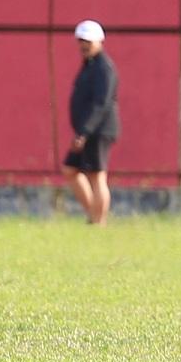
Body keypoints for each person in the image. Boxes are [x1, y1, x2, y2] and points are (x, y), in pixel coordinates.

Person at [64, 19, 120, 226]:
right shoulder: (90, 66)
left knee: (97, 176)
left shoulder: (104, 68)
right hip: (86, 130)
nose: (83, 45)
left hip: (98, 130)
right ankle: (93, 214)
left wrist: (84, 132)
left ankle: (99, 222)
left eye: (88, 41)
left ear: (99, 42)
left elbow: (101, 103)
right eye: (80, 41)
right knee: (70, 169)